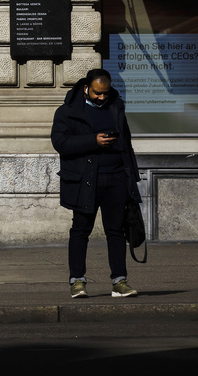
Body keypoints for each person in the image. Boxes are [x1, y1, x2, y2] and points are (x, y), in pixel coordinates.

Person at [51, 68, 142, 298]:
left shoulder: (116, 106)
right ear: (86, 88)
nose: (102, 97)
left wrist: (131, 179)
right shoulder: (67, 111)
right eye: (97, 93)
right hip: (85, 181)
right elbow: (61, 143)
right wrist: (94, 141)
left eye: (105, 92)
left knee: (116, 231)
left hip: (116, 179)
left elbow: (126, 144)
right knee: (80, 231)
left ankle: (119, 282)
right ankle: (77, 281)